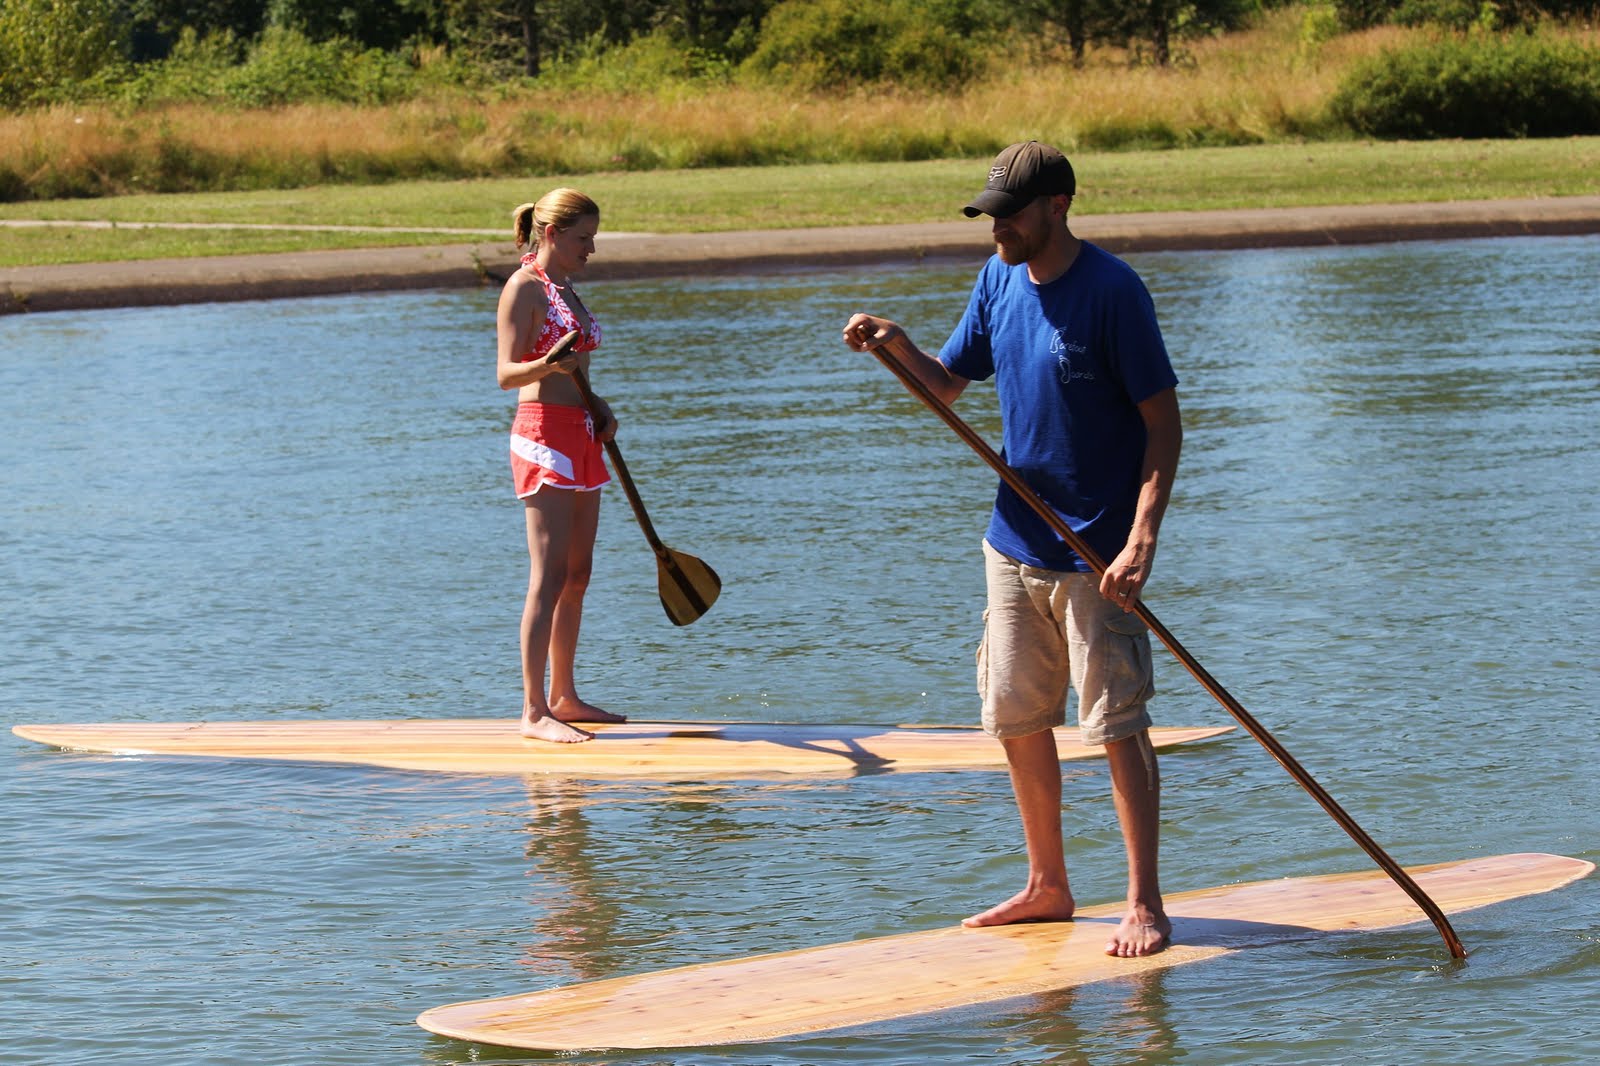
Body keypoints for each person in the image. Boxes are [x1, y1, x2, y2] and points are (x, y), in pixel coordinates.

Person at [842, 141, 1183, 957]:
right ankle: (1048, 885)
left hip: (1096, 551)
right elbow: (949, 383)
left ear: (1058, 205)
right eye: (990, 213)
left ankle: (1144, 902)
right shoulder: (998, 278)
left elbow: (1163, 425)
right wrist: (896, 343)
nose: (996, 227)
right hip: (1014, 541)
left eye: (1010, 213)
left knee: (1116, 724)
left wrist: (1139, 542)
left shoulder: (1112, 293)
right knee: (1016, 717)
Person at [497, 188, 627, 743]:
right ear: (551, 234)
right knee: (547, 577)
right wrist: (546, 363)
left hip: (580, 433)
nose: (591, 249)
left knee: (578, 574)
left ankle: (564, 697)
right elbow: (506, 374)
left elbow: (579, 371)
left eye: (593, 238)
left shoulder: (567, 290)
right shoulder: (522, 289)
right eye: (583, 239)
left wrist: (597, 404)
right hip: (542, 436)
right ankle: (532, 712)